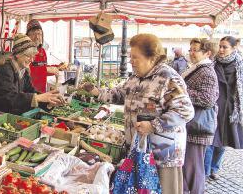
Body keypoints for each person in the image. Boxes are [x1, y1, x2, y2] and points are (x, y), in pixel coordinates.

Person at [89, 34, 194, 194]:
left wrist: (153, 126)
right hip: (139, 149)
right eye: (130, 57)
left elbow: (185, 111)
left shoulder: (168, 78)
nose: (131, 61)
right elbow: (119, 94)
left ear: (151, 58)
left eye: (135, 57)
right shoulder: (136, 77)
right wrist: (97, 92)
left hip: (161, 155)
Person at [0, 33, 63, 115]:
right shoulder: (4, 69)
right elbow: (8, 98)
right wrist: (38, 98)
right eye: (28, 56)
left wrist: (49, 102)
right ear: (18, 54)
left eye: (33, 56)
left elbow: (30, 91)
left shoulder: (23, 71)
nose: (31, 60)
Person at [181, 38, 219, 194]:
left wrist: (182, 92)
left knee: (194, 166)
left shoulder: (207, 71)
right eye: (190, 49)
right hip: (192, 124)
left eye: (195, 50)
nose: (191, 53)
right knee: (188, 165)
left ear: (207, 53)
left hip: (198, 126)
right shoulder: (197, 68)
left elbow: (207, 99)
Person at [204, 36, 243, 180]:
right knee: (209, 140)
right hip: (213, 106)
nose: (220, 50)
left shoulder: (239, 65)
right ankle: (206, 170)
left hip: (229, 109)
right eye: (220, 46)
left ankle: (214, 168)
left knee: (222, 143)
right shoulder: (212, 63)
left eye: (224, 47)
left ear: (233, 48)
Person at [26, 19, 65, 93]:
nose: (37, 37)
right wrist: (46, 70)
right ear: (28, 35)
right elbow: (26, 71)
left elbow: (43, 67)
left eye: (39, 34)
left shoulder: (42, 51)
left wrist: (58, 67)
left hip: (42, 92)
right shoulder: (25, 51)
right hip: (29, 93)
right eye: (34, 34)